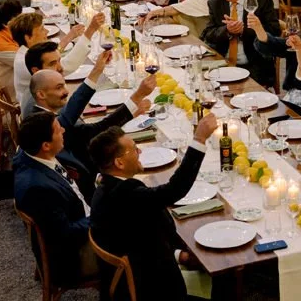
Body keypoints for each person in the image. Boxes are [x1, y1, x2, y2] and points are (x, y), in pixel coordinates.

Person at [90, 115, 219, 301]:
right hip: (151, 287)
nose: (140, 152)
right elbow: (174, 189)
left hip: (136, 264)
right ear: (119, 163)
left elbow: (141, 240)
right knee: (221, 270)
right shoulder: (126, 193)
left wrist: (178, 255)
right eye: (134, 150)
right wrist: (198, 140)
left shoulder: (104, 184)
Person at [29, 51, 154, 197]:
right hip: (89, 192)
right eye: (59, 88)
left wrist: (132, 110)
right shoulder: (45, 125)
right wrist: (137, 96)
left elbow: (94, 130)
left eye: (64, 86)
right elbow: (76, 111)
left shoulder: (46, 115)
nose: (66, 92)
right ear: (41, 95)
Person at [13, 112, 97, 287]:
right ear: (45, 145)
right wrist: (101, 217)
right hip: (73, 259)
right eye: (59, 131)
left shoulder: (27, 154)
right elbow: (66, 235)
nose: (64, 131)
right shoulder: (38, 189)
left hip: (80, 212)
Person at [201, 0, 280, 86]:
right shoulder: (215, 2)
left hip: (254, 64)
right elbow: (207, 35)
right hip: (223, 63)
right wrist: (227, 30)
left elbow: (274, 32)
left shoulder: (262, 0)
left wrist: (244, 30)